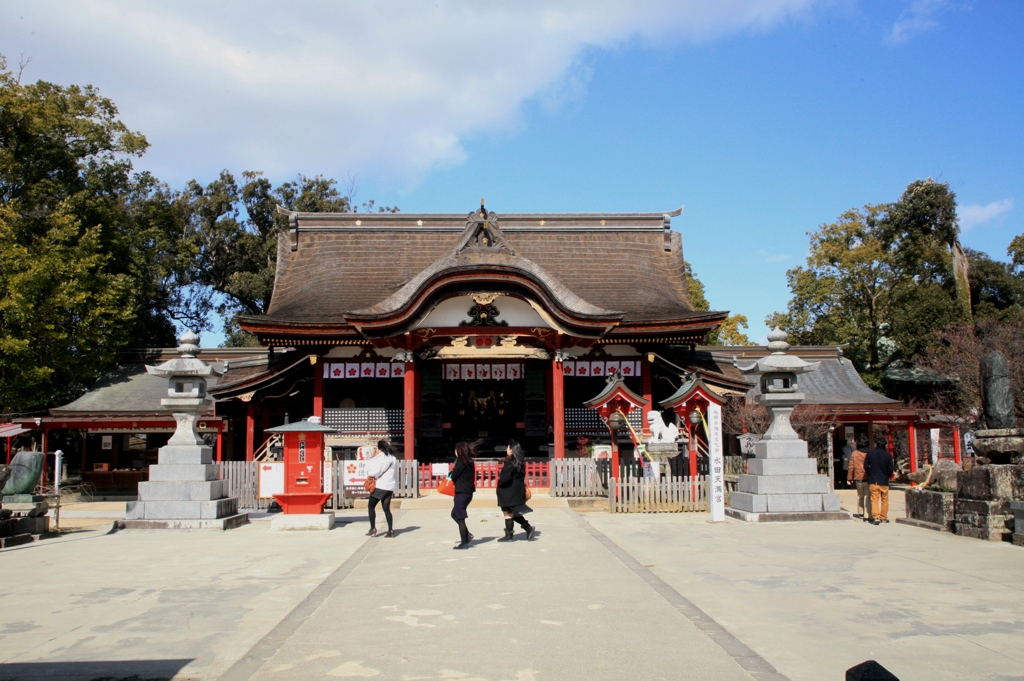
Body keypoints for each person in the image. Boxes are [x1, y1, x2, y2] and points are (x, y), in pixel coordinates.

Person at [496, 440, 536, 542]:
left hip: (509, 491)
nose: (506, 449)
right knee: (512, 512)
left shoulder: (510, 462)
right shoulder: (519, 461)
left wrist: (499, 482)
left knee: (508, 513)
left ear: (511, 450)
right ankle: (526, 528)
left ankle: (510, 535)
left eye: (508, 447)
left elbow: (505, 478)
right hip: (517, 490)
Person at [364, 439, 397, 538]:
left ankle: (373, 528)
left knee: (371, 507)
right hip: (390, 486)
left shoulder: (381, 458)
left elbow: (375, 471)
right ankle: (390, 530)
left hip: (381, 485)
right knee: (386, 509)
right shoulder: (393, 457)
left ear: (380, 448)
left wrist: (370, 474)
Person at [450, 441, 477, 549]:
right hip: (468, 492)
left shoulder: (461, 462)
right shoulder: (470, 461)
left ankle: (464, 542)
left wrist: (450, 474)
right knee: (454, 513)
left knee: (460, 517)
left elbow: (454, 475)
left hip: (461, 492)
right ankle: (467, 534)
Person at [863, 434, 894, 525]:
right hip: (884, 480)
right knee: (884, 500)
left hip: (873, 479)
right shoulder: (888, 456)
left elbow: (866, 466)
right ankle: (883, 517)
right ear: (885, 445)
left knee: (874, 499)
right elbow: (890, 469)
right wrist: (887, 475)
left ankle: (876, 516)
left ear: (876, 444)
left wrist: (870, 473)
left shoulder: (870, 454)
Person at [847, 435, 871, 522]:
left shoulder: (855, 453)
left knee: (860, 496)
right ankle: (869, 513)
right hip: (868, 477)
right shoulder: (870, 453)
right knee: (868, 496)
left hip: (858, 477)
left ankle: (861, 512)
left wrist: (849, 478)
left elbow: (851, 466)